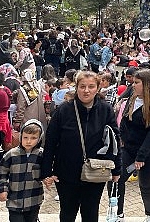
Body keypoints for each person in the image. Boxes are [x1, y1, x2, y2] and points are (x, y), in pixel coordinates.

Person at [41, 71, 121, 222]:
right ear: (76, 87)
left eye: (91, 86)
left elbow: (115, 140)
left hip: (95, 171)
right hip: (66, 172)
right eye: (82, 86)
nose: (86, 90)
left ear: (97, 88)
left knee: (90, 213)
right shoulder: (63, 110)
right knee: (67, 213)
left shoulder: (105, 110)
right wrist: (46, 171)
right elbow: (50, 142)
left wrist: (117, 169)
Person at [118, 69, 150, 221]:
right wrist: (122, 137)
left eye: (136, 83)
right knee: (117, 178)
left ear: (146, 84)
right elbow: (125, 121)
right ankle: (118, 214)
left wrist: (141, 156)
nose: (133, 85)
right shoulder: (132, 99)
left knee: (147, 185)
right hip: (129, 149)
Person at [0, 119, 44, 222]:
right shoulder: (11, 154)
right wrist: (2, 190)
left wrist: (48, 177)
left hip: (34, 199)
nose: (28, 141)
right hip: (14, 200)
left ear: (39, 139)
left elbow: (47, 172)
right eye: (25, 137)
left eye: (33, 138)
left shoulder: (41, 155)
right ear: (21, 136)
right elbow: (1, 172)